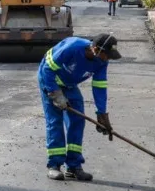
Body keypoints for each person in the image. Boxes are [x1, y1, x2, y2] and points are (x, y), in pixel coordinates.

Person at [38, 34, 122, 181]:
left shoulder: (102, 61)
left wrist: (101, 114)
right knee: (55, 121)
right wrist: (56, 94)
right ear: (95, 49)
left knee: (77, 121)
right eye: (105, 55)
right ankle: (54, 165)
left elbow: (99, 86)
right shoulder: (72, 47)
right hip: (50, 81)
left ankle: (74, 166)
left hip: (70, 85)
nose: (106, 59)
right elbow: (47, 70)